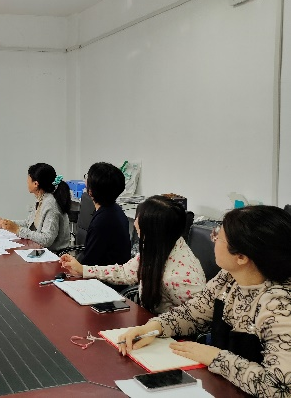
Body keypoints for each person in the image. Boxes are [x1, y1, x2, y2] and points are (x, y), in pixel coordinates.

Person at [118, 205, 291, 397]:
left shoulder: (280, 305)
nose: (212, 239)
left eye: (218, 236)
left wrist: (215, 357)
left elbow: (280, 388)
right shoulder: (228, 278)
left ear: (241, 257)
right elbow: (192, 313)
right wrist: (154, 327)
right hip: (222, 386)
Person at [60, 195, 206, 314]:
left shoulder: (180, 278)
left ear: (154, 231)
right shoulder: (162, 244)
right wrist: (83, 270)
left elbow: (198, 321)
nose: (135, 223)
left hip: (167, 335)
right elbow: (125, 272)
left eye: (140, 219)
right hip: (150, 323)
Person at [0, 163, 71, 253]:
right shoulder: (41, 198)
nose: (27, 182)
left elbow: (46, 240)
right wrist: (6, 223)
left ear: (36, 184)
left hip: (53, 254)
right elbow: (29, 223)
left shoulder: (51, 204)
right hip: (39, 249)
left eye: (28, 180)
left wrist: (17, 230)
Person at [75, 162, 130, 266]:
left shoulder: (101, 222)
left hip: (103, 274)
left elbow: (88, 264)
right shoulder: (115, 210)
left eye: (87, 177)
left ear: (90, 192)